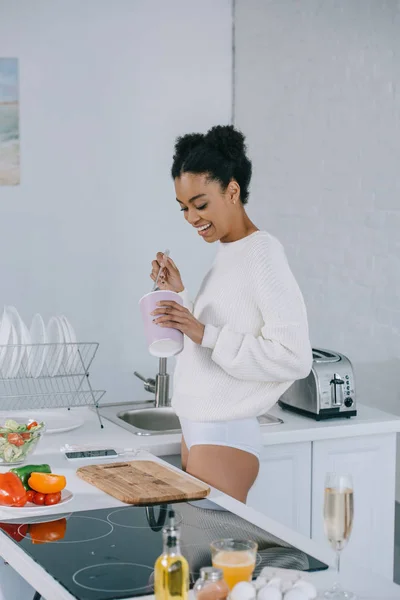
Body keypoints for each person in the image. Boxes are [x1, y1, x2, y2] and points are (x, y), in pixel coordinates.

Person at [150, 125, 312, 503]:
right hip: (199, 429)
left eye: (200, 204)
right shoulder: (228, 251)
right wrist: (180, 296)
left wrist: (202, 331)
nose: (191, 217)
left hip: (222, 434)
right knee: (206, 559)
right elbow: (214, 335)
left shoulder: (263, 254)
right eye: (184, 207)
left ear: (233, 191)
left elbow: (294, 357)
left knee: (219, 559)